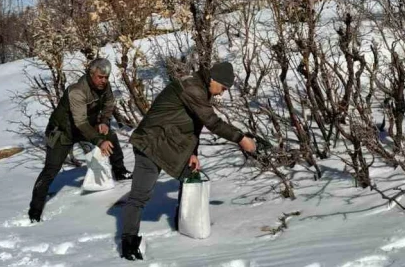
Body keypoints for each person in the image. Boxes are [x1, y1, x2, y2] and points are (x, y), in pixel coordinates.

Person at [120, 61, 257, 260]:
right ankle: (128, 242)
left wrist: (193, 153)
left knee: (190, 177)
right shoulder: (193, 88)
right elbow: (212, 123)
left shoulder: (201, 88)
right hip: (149, 143)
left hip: (167, 144)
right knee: (140, 196)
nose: (222, 93)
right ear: (214, 79)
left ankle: (186, 222)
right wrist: (241, 138)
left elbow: (195, 125)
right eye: (223, 88)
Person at [28, 58, 131, 223]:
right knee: (51, 170)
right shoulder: (76, 91)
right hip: (62, 132)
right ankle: (35, 211)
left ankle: (120, 171)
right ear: (91, 74)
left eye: (106, 77)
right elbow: (81, 123)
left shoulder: (104, 87)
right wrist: (98, 141)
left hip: (82, 127)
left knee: (110, 136)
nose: (103, 81)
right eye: (100, 77)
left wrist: (104, 121)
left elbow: (109, 103)